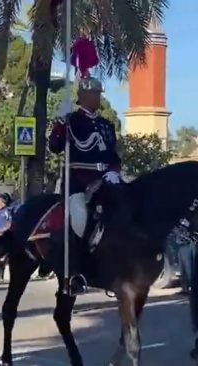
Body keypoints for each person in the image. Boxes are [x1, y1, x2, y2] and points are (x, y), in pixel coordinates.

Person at [47, 72, 124, 296]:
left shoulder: (106, 125)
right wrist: (60, 123)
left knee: (128, 207)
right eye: (92, 93)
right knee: (80, 218)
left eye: (98, 93)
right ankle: (76, 273)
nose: (97, 97)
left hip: (105, 180)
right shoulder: (72, 121)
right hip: (78, 181)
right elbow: (55, 146)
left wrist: (113, 172)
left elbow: (113, 155)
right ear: (81, 95)